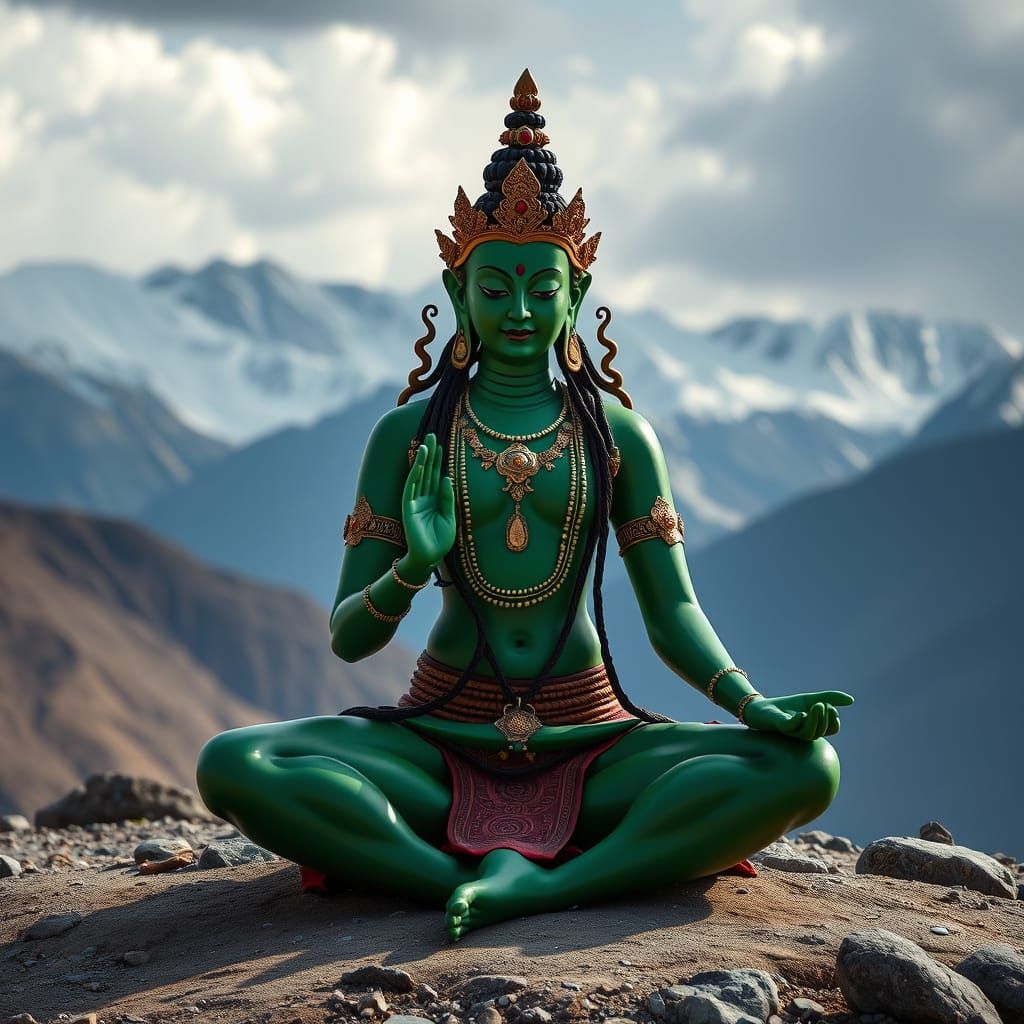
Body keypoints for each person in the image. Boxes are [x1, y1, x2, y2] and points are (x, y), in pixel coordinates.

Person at [196, 70, 853, 942]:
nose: (517, 310)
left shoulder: (618, 435)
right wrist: (410, 570)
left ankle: (538, 887)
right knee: (236, 761)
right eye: (495, 287)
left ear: (576, 295)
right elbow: (350, 637)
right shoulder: (408, 436)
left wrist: (751, 703)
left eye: (542, 290)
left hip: (590, 739)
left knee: (807, 767)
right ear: (456, 290)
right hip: (439, 738)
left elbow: (673, 611)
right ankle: (455, 878)